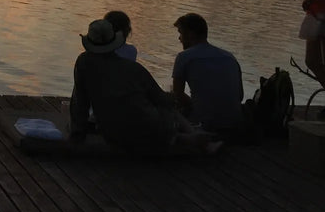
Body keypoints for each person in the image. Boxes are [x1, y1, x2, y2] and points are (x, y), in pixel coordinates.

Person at [69, 19, 219, 155]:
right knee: (166, 112)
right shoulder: (134, 69)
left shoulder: (83, 63)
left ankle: (187, 138)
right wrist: (174, 98)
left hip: (111, 132)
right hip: (150, 129)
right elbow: (162, 100)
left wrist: (77, 133)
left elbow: (80, 102)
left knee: (140, 126)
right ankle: (193, 136)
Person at [171, 13, 243, 132]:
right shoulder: (229, 57)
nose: (179, 38)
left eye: (180, 33)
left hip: (204, 124)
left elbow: (177, 95)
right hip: (235, 123)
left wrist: (193, 105)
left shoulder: (184, 57)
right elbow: (239, 96)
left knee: (168, 108)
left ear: (191, 34)